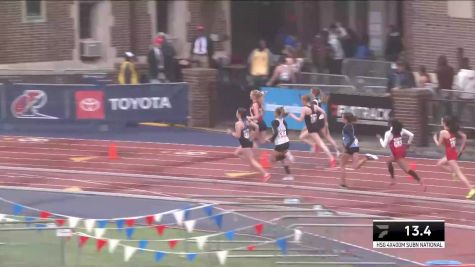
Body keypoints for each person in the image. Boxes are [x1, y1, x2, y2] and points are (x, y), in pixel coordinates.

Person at [433, 116, 474, 199]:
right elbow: (462, 137)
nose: (441, 121)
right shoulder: (453, 130)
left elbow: (439, 144)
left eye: (442, 120)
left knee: (460, 174)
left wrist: (434, 138)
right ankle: (454, 172)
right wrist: (462, 147)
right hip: (452, 152)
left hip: (450, 154)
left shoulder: (443, 132)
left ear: (444, 122)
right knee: (439, 164)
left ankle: (471, 189)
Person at [289, 95, 336, 167]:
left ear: (304, 101)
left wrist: (292, 115)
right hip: (315, 126)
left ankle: (332, 159)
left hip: (312, 129)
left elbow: (299, 120)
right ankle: (314, 145)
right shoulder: (314, 106)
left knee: (322, 144)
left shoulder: (304, 109)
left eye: (302, 100)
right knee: (301, 137)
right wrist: (325, 122)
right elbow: (324, 113)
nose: (301, 102)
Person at [377, 119, 425, 189]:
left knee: (407, 170)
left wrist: (380, 138)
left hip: (397, 155)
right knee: (388, 161)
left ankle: (420, 180)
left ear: (390, 125)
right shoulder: (401, 130)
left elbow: (384, 146)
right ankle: (393, 179)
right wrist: (409, 143)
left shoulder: (388, 133)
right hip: (401, 151)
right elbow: (412, 135)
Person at [227, 108, 271, 182]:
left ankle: (265, 174)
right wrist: (253, 136)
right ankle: (252, 164)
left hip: (245, 143)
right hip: (249, 141)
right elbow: (257, 127)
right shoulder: (247, 121)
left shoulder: (238, 124)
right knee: (236, 153)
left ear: (239, 114)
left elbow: (237, 136)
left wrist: (231, 133)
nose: (236, 113)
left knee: (252, 160)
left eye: (237, 112)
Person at [340, 112, 378, 188]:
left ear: (346, 119)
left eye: (342, 117)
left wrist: (345, 147)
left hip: (350, 147)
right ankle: (366, 158)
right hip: (355, 146)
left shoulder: (346, 127)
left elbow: (351, 138)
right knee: (355, 167)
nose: (341, 118)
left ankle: (343, 183)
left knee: (342, 165)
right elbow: (349, 138)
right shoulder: (350, 125)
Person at [310, 88, 341, 156]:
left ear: (313, 93)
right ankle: (315, 145)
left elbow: (321, 113)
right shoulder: (318, 100)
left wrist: (326, 122)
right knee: (325, 136)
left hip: (320, 121)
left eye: (311, 92)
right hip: (320, 121)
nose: (310, 93)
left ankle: (315, 146)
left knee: (326, 136)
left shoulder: (315, 101)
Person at [268, 107, 294, 181]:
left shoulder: (274, 122)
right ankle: (289, 176)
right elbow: (287, 132)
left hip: (280, 143)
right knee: (282, 160)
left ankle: (287, 154)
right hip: (286, 142)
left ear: (276, 113)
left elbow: (276, 133)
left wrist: (271, 140)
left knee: (272, 159)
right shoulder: (284, 121)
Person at [454, 57, 475, 124]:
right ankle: (473, 125)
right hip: (471, 95)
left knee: (459, 110)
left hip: (463, 96)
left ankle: (458, 124)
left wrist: (457, 94)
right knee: (472, 112)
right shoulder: (473, 73)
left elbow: (460, 86)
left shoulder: (461, 74)